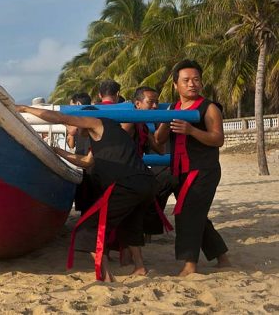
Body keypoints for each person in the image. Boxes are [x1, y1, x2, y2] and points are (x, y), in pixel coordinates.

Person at [17, 104, 157, 282]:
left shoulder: (97, 123)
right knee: (130, 224)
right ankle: (140, 267)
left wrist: (26, 109)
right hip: (146, 184)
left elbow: (60, 117)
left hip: (126, 185)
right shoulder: (109, 133)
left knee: (88, 228)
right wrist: (58, 151)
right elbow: (86, 161)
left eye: (76, 123)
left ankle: (106, 275)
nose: (72, 128)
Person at [155, 59, 230, 276]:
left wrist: (192, 131)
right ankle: (222, 258)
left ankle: (189, 265)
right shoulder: (172, 108)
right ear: (175, 85)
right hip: (180, 171)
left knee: (185, 213)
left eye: (196, 79)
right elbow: (159, 140)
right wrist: (165, 122)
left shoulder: (210, 107)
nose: (192, 84)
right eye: (186, 80)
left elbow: (218, 139)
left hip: (203, 171)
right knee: (196, 215)